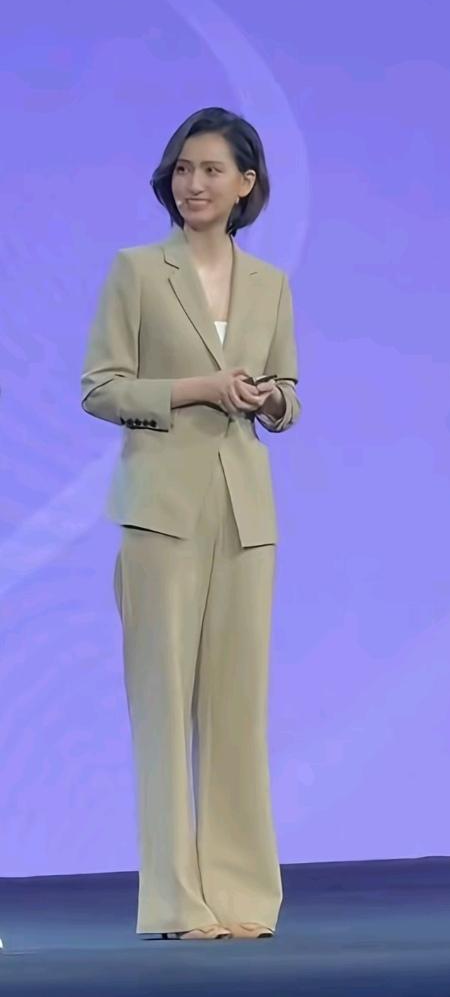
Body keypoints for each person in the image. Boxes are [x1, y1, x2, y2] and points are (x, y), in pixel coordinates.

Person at [80, 106, 301, 941]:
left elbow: (289, 393)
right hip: (160, 512)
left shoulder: (270, 283)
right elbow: (101, 387)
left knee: (238, 709)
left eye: (210, 170)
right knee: (163, 708)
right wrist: (196, 391)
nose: (193, 183)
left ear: (246, 184)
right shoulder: (137, 271)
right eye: (183, 168)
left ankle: (241, 896)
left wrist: (270, 399)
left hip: (244, 513)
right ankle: (174, 901)